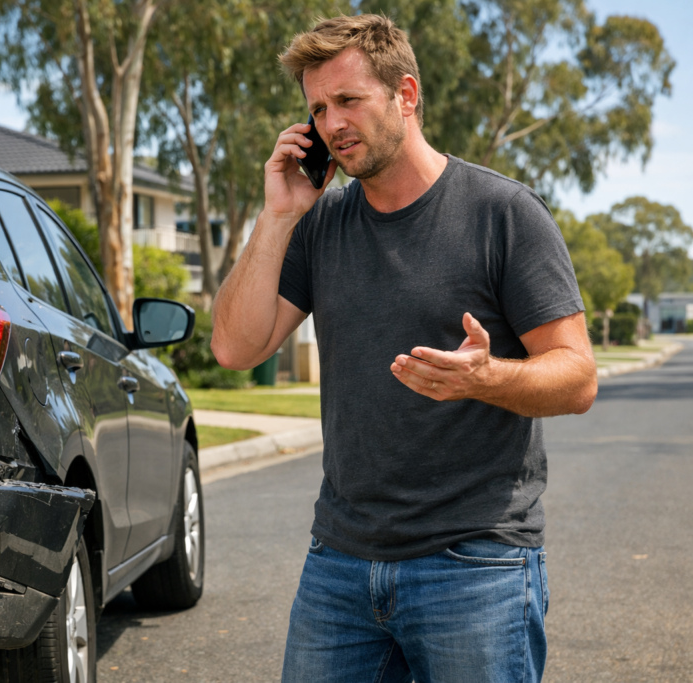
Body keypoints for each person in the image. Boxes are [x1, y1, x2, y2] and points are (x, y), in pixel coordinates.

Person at [211, 14, 598, 683]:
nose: (331, 123)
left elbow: (578, 376)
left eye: (349, 100)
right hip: (339, 562)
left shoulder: (503, 214)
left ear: (407, 95)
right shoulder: (318, 223)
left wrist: (485, 378)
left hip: (476, 563)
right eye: (318, 109)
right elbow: (235, 347)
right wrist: (277, 215)